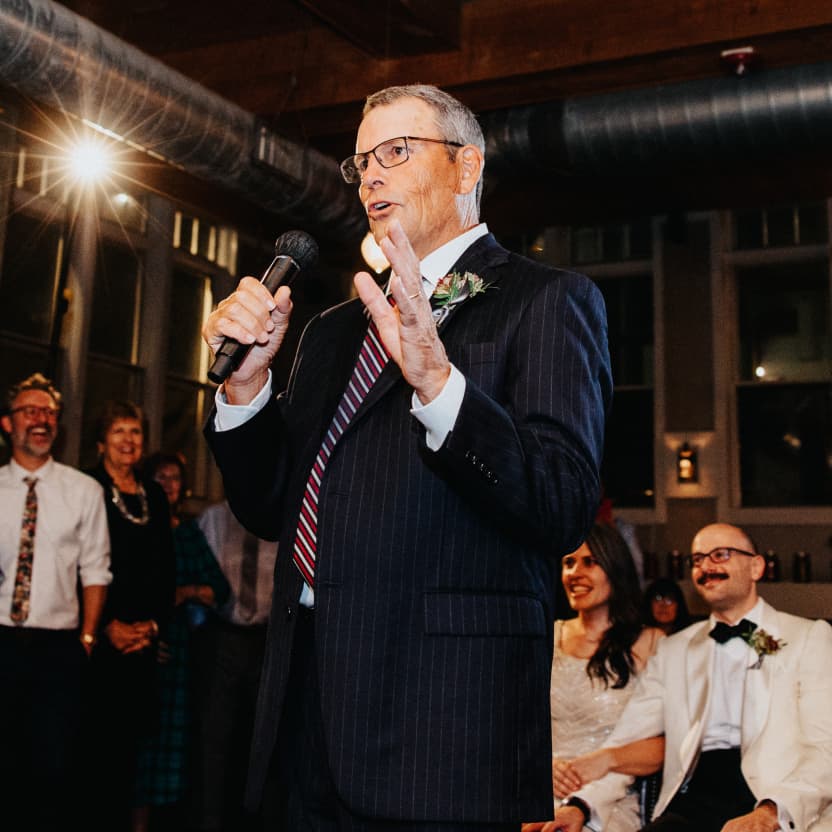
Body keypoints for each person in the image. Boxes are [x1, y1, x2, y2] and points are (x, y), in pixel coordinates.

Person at [202, 83, 612, 829]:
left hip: (440, 728)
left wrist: (440, 385)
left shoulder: (546, 300)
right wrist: (248, 385)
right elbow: (271, 507)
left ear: (465, 169)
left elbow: (560, 503)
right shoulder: (331, 330)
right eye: (360, 163)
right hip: (305, 714)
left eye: (396, 152)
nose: (372, 177)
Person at [550, 522, 832, 832]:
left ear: (756, 567)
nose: (706, 566)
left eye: (720, 555)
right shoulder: (673, 650)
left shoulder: (808, 637)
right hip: (694, 799)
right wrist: (579, 805)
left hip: (775, 797)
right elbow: (626, 741)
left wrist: (772, 811)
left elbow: (825, 749)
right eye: (697, 559)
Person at [0, 373, 111, 831]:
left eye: (49, 413)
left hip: (58, 649)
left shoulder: (84, 490)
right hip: (1, 641)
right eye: (31, 411)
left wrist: (86, 636)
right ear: (8, 425)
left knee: (53, 767)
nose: (41, 420)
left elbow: (96, 570)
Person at [523, 523, 664, 832]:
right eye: (568, 563)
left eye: (590, 562)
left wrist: (605, 760)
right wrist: (541, 767)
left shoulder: (651, 643)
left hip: (611, 799)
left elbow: (665, 745)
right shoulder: (548, 635)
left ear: (615, 568)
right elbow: (516, 724)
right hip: (539, 788)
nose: (575, 573)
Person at [84, 401, 176, 832]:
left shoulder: (153, 495)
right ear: (101, 441)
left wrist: (153, 626)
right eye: (118, 431)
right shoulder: (87, 488)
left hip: (143, 644)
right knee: (91, 755)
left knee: (131, 758)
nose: (128, 440)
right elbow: (75, 568)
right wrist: (105, 628)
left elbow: (166, 570)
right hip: (97, 646)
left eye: (135, 431)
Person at [133, 452, 230, 832]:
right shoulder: (138, 526)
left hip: (180, 652)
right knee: (135, 749)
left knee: (173, 747)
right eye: (160, 477)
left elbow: (218, 590)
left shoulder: (188, 533)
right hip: (139, 647)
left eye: (175, 478)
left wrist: (184, 591)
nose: (168, 485)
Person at [192, 500, 278, 832]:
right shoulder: (211, 519)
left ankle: (262, 821)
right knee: (214, 734)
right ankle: (209, 820)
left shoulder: (279, 518)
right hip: (222, 636)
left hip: (268, 639)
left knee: (266, 738)